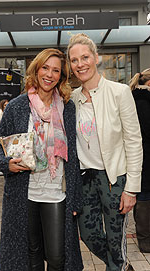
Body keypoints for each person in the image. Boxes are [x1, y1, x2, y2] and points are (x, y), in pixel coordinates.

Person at [0, 48, 83, 271]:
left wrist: (75, 196)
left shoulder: (67, 107)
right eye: (45, 68)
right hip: (24, 192)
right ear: (36, 69)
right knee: (30, 255)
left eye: (56, 71)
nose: (49, 75)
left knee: (57, 257)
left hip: (55, 192)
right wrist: (6, 164)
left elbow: (75, 156)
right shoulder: (17, 106)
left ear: (61, 76)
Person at [67, 33, 143, 271]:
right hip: (85, 179)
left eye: (85, 57)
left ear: (96, 58)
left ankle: (118, 267)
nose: (81, 64)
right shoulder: (71, 99)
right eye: (74, 60)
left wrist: (132, 187)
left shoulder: (119, 92)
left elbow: (133, 140)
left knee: (115, 237)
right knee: (88, 235)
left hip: (114, 179)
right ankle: (120, 265)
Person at [129, 68, 150, 253]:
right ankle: (144, 239)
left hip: (141, 156)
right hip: (144, 156)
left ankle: (143, 237)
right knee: (144, 196)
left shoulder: (134, 98)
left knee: (142, 195)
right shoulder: (143, 101)